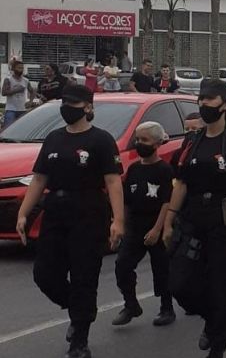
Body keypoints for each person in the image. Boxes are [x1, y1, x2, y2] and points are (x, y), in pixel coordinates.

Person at [15, 84, 124, 358]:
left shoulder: (101, 140)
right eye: (64, 102)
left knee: (84, 276)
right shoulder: (53, 138)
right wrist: (23, 213)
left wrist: (118, 220)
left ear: (88, 107)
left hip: (89, 213)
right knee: (45, 274)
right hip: (55, 213)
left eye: (73, 103)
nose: (67, 108)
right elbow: (40, 178)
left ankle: (79, 339)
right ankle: (78, 310)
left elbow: (113, 182)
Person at [163, 79, 226, 358]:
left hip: (225, 223)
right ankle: (212, 319)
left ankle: (218, 344)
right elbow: (181, 183)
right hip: (193, 220)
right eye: (201, 99)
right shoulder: (193, 140)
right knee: (180, 284)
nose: (204, 104)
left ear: (225, 105)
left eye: (210, 100)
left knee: (222, 289)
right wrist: (169, 219)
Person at [113, 122, 175, 327]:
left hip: (155, 224)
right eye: (137, 140)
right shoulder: (133, 169)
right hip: (135, 226)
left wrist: (158, 229)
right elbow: (126, 200)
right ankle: (130, 304)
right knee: (123, 265)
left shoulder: (164, 170)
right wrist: (118, 223)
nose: (140, 144)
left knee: (162, 268)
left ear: (157, 143)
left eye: (145, 140)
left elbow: (167, 201)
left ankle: (167, 308)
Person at [2, 60, 35, 127]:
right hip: (11, 109)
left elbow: (32, 91)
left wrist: (30, 101)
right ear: (13, 68)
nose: (21, 70)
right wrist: (16, 90)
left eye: (22, 68)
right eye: (19, 68)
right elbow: (4, 92)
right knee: (8, 128)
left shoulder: (25, 80)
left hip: (22, 109)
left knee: (21, 129)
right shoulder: (8, 79)